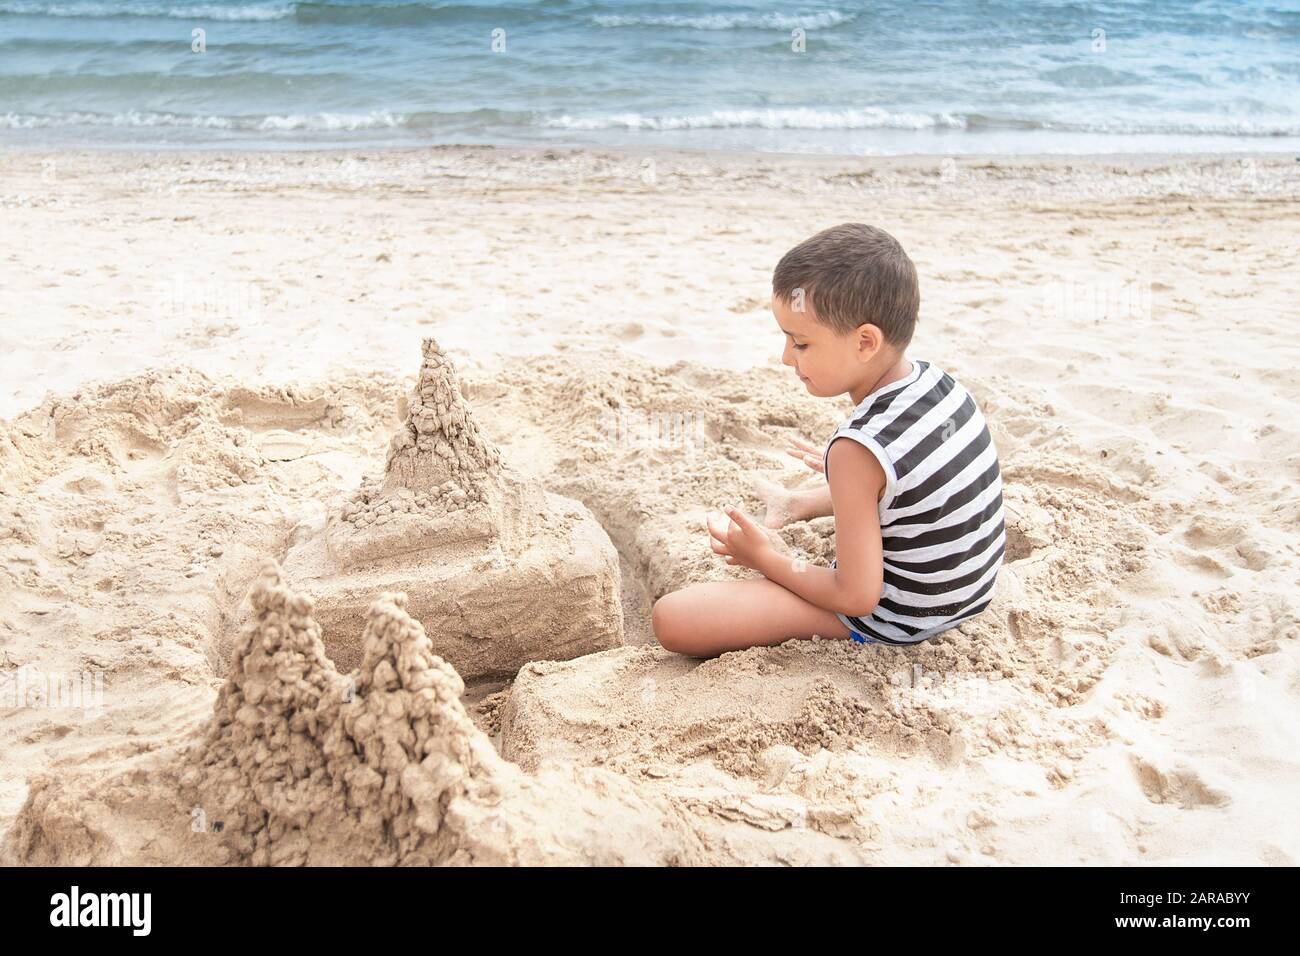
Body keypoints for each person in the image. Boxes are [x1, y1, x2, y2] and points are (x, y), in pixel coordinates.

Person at [651, 223, 1006, 656]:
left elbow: (856, 596)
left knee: (675, 619)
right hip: (968, 596)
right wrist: (816, 495)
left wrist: (765, 559)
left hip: (900, 619)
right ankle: (797, 503)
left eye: (800, 343)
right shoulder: (942, 384)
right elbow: (913, 485)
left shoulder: (857, 449)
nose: (786, 358)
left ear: (864, 342)